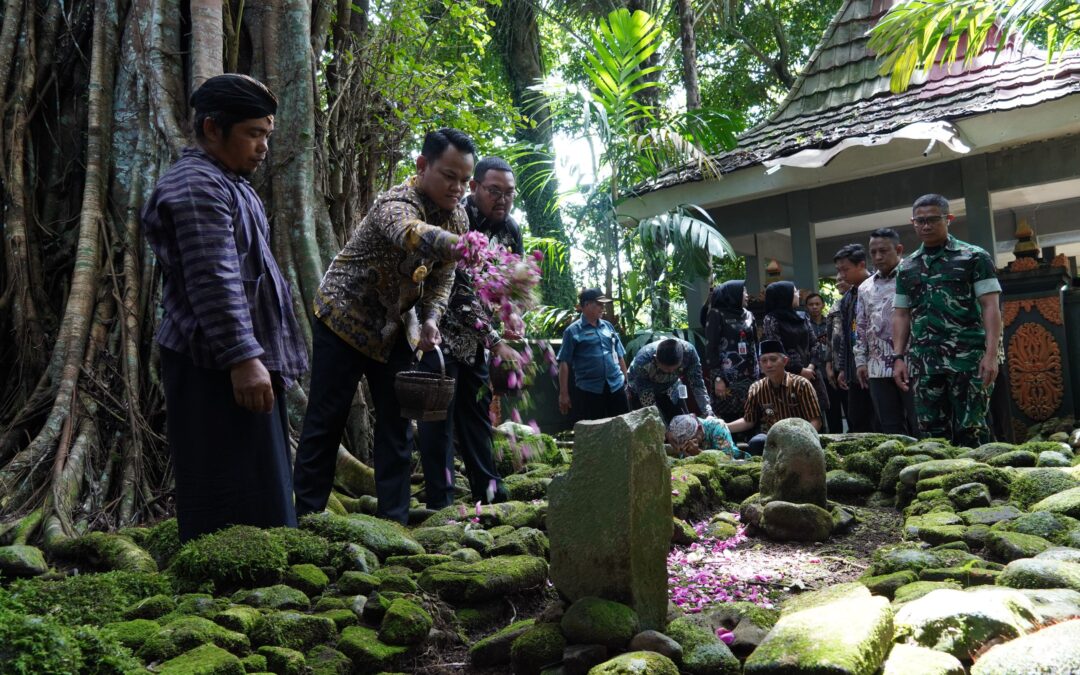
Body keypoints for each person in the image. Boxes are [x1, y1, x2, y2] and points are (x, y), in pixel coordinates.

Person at [141, 74, 308, 542]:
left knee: (263, 485)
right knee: (230, 491)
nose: (263, 147)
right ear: (213, 129)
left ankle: (268, 588)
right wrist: (243, 357)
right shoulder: (196, 186)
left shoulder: (227, 182)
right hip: (214, 364)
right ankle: (226, 597)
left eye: (267, 135)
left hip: (242, 362)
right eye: (253, 134)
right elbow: (212, 277)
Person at [293, 128, 473, 525]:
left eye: (464, 180)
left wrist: (430, 320)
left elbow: (442, 277)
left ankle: (395, 522)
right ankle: (305, 519)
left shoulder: (458, 217)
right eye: (449, 176)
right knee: (326, 418)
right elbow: (409, 233)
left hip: (393, 329)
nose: (457, 187)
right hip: (343, 318)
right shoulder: (394, 201)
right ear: (422, 165)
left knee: (396, 423)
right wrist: (460, 245)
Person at [416, 157, 523, 508]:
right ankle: (440, 501)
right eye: (494, 191)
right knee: (439, 420)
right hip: (438, 334)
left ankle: (489, 491)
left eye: (509, 193)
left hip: (477, 341)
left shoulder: (510, 231)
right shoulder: (457, 219)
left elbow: (513, 283)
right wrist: (495, 341)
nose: (502, 200)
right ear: (474, 187)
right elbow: (458, 290)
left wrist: (514, 315)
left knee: (476, 416)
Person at [893, 193, 1002, 448]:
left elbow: (991, 306)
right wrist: (898, 357)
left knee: (971, 430)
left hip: (968, 358)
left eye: (932, 219)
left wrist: (992, 353)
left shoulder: (974, 257)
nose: (925, 226)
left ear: (948, 219)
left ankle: (977, 483)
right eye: (919, 221)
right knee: (932, 435)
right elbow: (901, 314)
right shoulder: (906, 267)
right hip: (924, 362)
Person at [854, 228, 919, 436]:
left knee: (920, 423)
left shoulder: (913, 277)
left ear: (899, 249)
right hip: (877, 368)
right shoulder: (864, 288)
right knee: (890, 429)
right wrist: (861, 361)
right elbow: (861, 326)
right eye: (873, 252)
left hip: (912, 364)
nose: (878, 257)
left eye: (883, 251)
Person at [727, 340, 823, 455]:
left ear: (785, 361)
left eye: (773, 359)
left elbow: (816, 421)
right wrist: (722, 426)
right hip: (772, 439)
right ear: (760, 364)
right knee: (756, 443)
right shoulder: (756, 388)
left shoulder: (801, 385)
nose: (768, 365)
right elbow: (749, 420)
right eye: (764, 360)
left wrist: (802, 439)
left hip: (800, 437)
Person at [762, 281, 829, 425]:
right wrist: (799, 370)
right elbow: (776, 349)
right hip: (787, 376)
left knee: (816, 416)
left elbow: (814, 343)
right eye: (795, 291)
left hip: (811, 373)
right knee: (793, 418)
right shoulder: (771, 319)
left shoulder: (802, 316)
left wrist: (811, 367)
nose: (798, 294)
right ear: (785, 296)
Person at [557, 288, 630, 424]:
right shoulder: (572, 331)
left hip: (616, 385)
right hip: (590, 390)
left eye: (604, 304)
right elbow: (564, 362)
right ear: (586, 305)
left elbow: (619, 354)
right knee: (597, 431)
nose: (603, 308)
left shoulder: (608, 327)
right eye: (599, 304)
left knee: (623, 426)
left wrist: (626, 382)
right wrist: (563, 393)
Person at [834, 244, 877, 432]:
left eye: (845, 269)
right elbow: (845, 335)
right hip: (853, 369)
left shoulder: (877, 287)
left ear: (861, 265)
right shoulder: (847, 298)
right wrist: (842, 367)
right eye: (839, 270)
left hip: (878, 367)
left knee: (879, 417)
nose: (842, 275)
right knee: (856, 418)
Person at [703, 280, 758, 422]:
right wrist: (717, 378)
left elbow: (755, 345)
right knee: (728, 420)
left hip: (751, 376)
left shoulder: (749, 315)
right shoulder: (716, 314)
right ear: (732, 294)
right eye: (743, 291)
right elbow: (711, 348)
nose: (747, 295)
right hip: (726, 378)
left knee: (752, 416)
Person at [626, 337, 713, 424]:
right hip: (641, 391)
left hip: (672, 387)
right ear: (656, 359)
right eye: (666, 369)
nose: (670, 372)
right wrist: (663, 428)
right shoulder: (642, 362)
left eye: (675, 369)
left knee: (683, 422)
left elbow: (697, 384)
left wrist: (707, 412)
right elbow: (648, 401)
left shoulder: (689, 353)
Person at [825, 277, 850, 433]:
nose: (838, 282)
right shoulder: (835, 306)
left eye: (843, 279)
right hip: (835, 368)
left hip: (852, 367)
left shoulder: (861, 299)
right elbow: (829, 340)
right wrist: (828, 365)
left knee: (855, 411)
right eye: (837, 279)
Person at [665, 414, 747, 459]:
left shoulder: (718, 429)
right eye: (685, 443)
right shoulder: (684, 424)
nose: (689, 445)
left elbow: (728, 459)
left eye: (693, 439)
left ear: (700, 428)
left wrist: (698, 453)